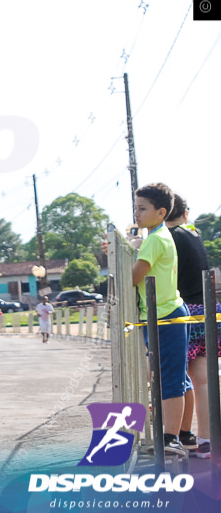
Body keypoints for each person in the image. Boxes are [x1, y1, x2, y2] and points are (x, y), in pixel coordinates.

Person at [131, 182, 190, 456]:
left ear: (161, 212)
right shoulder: (159, 234)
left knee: (169, 379)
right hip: (166, 313)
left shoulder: (154, 240)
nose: (136, 213)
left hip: (165, 315)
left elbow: (134, 276)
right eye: (135, 207)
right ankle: (179, 435)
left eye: (143, 208)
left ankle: (170, 438)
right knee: (176, 378)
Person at [165, 194, 215, 459]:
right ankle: (206, 440)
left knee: (175, 380)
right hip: (206, 309)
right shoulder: (193, 236)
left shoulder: (165, 237)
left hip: (182, 315)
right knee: (204, 381)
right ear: (185, 213)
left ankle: (177, 435)